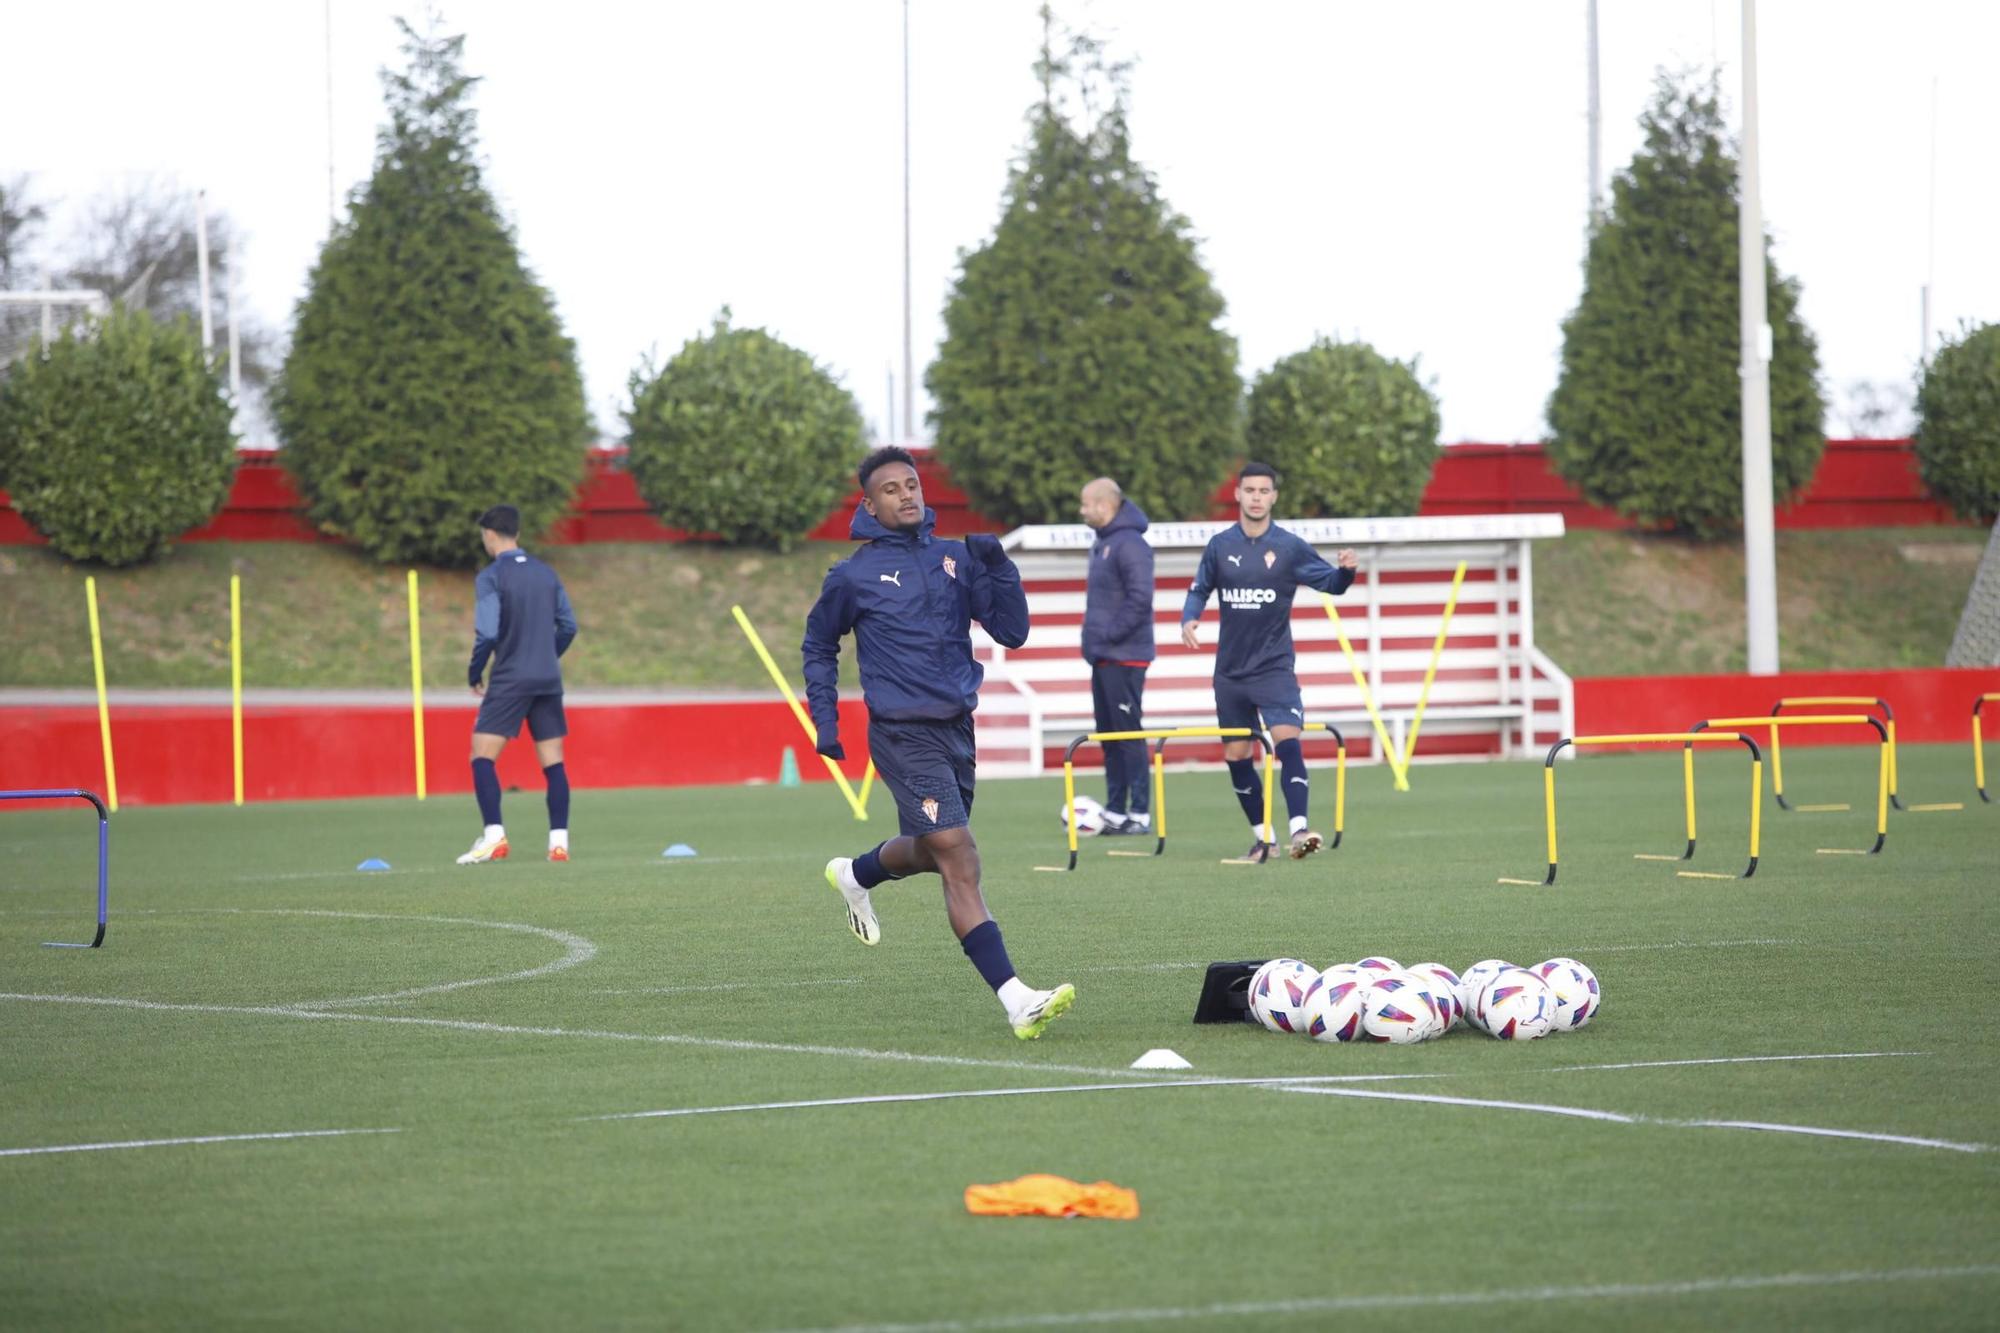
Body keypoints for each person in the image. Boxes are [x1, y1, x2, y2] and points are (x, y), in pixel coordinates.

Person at [804, 446, 1075, 1040]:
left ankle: (856, 873)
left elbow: (1013, 631)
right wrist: (825, 719)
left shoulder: (956, 558)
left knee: (933, 850)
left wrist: (1000, 568)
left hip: (958, 728)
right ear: (869, 504)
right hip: (901, 734)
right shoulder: (852, 574)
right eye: (892, 489)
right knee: (959, 853)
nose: (907, 495)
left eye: (912, 484)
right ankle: (1017, 1000)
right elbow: (819, 645)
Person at [1179, 462, 1359, 863]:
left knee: (1286, 739)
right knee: (1237, 757)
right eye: (1250, 490)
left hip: (1274, 667)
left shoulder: (1291, 547)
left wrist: (1346, 573)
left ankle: (1300, 830)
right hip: (1230, 673)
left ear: (1274, 496)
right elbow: (1199, 588)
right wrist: (1189, 617)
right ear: (1238, 495)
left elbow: (1330, 583)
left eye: (1264, 491)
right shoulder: (1220, 546)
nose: (1257, 497)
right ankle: (1264, 840)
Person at [457, 504, 578, 865]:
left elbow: (488, 631)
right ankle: (559, 844)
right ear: (518, 534)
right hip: (547, 677)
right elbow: (569, 626)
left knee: (481, 755)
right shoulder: (546, 573)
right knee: (553, 762)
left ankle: (494, 836)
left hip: (510, 677)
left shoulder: (491, 576)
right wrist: (545, 655)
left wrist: (475, 671)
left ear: (489, 535)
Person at [1078, 477, 1156, 835]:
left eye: (1086, 504)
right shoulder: (1103, 543)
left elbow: (1141, 599)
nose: (1082, 511)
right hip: (1105, 657)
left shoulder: (1131, 544)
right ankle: (1115, 810)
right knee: (1108, 735)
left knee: (1127, 734)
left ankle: (1139, 813)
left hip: (1126, 657)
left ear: (1104, 506)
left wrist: (1108, 636)